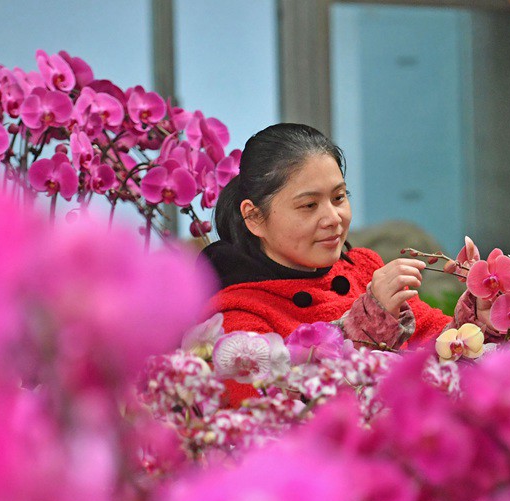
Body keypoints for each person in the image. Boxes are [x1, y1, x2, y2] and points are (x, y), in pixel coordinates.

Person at [200, 123, 492, 350]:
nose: (333, 218)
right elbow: (285, 404)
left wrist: (481, 317)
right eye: (309, 205)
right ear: (254, 217)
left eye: (339, 197)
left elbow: (436, 339)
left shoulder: (363, 269)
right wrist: (369, 322)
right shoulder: (234, 315)